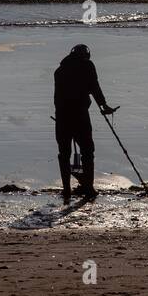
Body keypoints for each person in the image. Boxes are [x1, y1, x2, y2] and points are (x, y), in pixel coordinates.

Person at [53, 44, 117, 202]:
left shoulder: (59, 71)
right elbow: (94, 86)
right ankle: (88, 188)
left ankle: (67, 189)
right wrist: (103, 105)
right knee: (88, 150)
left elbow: (58, 97)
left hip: (62, 116)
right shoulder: (87, 66)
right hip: (80, 115)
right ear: (86, 55)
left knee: (64, 153)